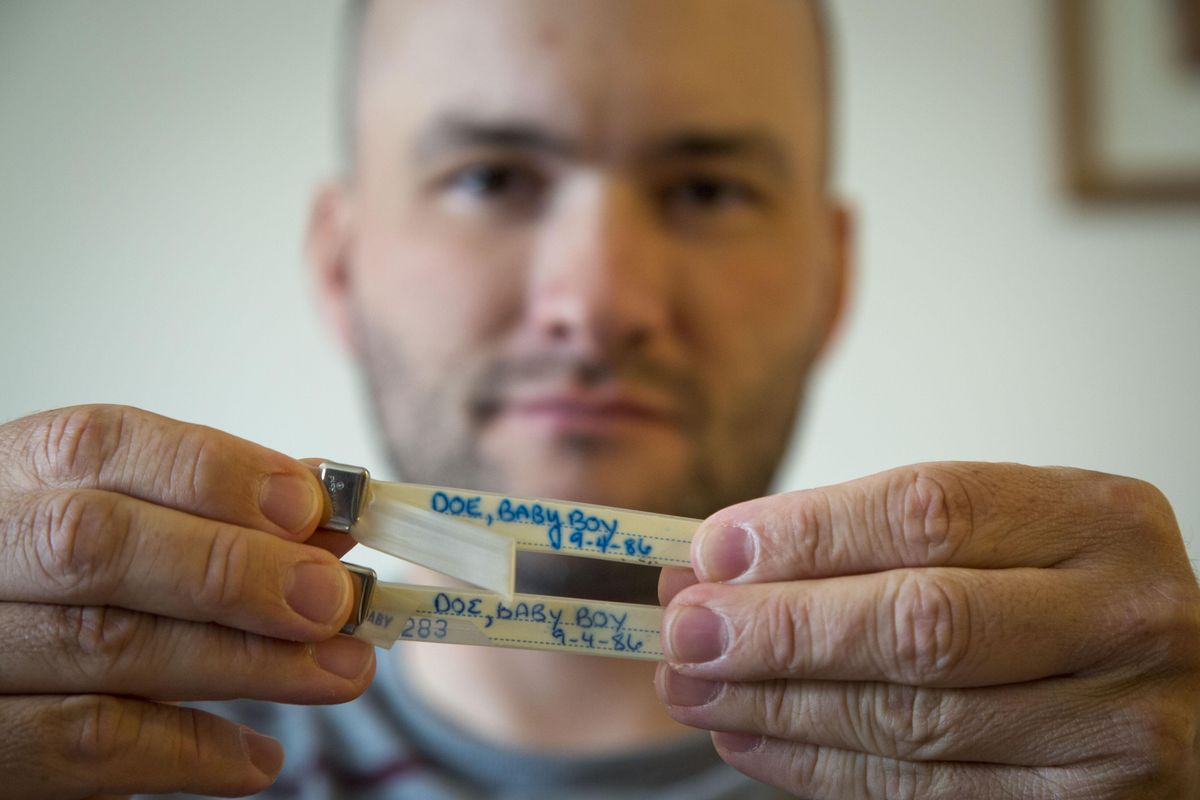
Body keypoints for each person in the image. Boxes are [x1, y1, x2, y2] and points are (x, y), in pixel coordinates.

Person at [2, 1, 1198, 797]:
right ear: (337, 263)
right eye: (491, 177)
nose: (599, 299)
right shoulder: (101, 749)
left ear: (832, 275)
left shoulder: (1061, 755)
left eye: (709, 189)